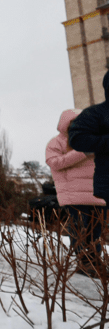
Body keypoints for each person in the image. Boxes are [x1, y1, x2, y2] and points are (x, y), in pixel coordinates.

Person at [47, 109, 106, 276]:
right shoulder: (57, 142)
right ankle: (84, 262)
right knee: (80, 229)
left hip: (97, 195)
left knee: (96, 231)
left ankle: (95, 262)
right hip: (74, 195)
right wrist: (82, 152)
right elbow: (54, 163)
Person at [69, 70, 109, 274]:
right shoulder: (97, 115)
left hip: (90, 190)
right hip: (80, 191)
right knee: (84, 228)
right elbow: (59, 161)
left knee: (94, 228)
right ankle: (87, 261)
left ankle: (91, 261)